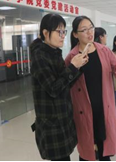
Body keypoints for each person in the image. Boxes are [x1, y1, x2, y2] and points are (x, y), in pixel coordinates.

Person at [66, 16, 116, 162]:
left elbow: (115, 65)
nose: (89, 32)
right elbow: (65, 82)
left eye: (91, 28)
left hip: (103, 108)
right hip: (84, 111)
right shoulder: (72, 56)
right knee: (87, 152)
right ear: (75, 34)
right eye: (84, 30)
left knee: (104, 150)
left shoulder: (103, 50)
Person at [30, 13, 89, 162]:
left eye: (64, 31)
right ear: (45, 33)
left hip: (62, 118)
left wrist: (78, 66)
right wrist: (72, 67)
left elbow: (65, 84)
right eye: (59, 32)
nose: (63, 36)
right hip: (52, 124)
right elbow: (53, 88)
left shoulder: (54, 53)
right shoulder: (39, 57)